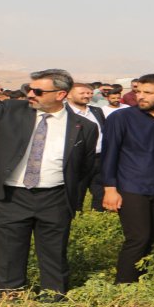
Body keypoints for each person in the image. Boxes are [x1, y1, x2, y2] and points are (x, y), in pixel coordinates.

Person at [0, 69, 98, 300]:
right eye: (28, 89)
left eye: (37, 91)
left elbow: (84, 167)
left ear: (60, 94)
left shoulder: (83, 127)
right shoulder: (11, 110)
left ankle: (53, 296)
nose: (31, 94)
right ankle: (11, 296)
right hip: (10, 196)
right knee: (9, 250)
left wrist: (71, 197)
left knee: (54, 251)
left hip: (55, 197)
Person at [100, 74, 154, 283]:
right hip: (131, 186)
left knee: (150, 237)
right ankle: (124, 286)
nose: (141, 96)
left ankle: (140, 281)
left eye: (148, 93)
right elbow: (109, 153)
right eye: (138, 91)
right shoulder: (121, 118)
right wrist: (109, 188)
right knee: (137, 237)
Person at [65, 83, 107, 211]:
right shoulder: (64, 113)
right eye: (82, 93)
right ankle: (75, 218)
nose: (87, 96)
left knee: (100, 193)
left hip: (99, 158)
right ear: (69, 95)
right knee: (76, 193)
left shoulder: (96, 111)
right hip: (77, 159)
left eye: (89, 93)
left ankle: (100, 216)